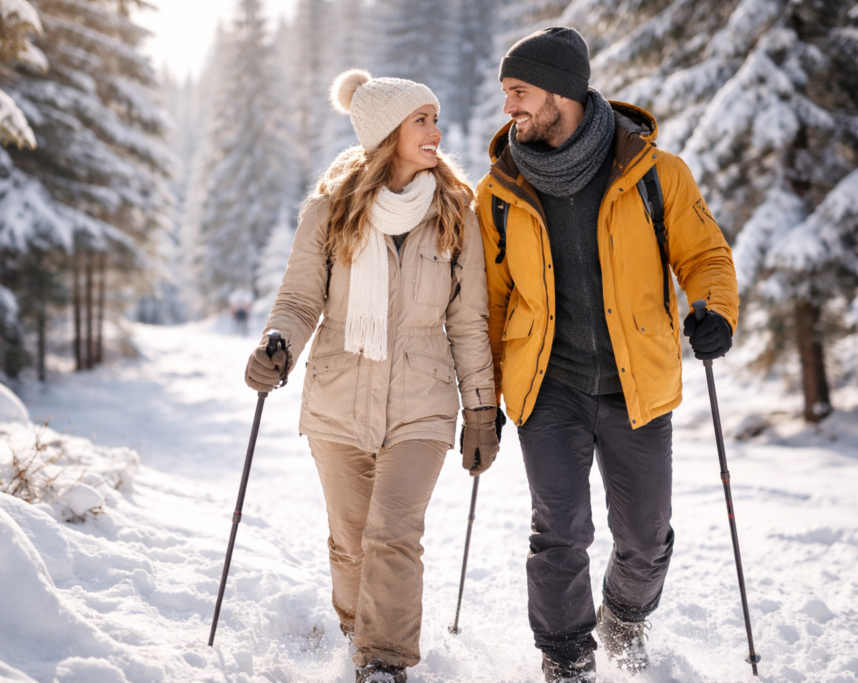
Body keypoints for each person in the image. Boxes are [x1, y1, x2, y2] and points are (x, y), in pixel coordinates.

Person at [474, 27, 739, 682]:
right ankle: (566, 656)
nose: (509, 109)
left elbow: (704, 256)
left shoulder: (655, 173)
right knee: (558, 530)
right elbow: (492, 301)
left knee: (645, 537)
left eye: (519, 93)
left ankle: (623, 613)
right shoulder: (499, 192)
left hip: (636, 382)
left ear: (561, 93)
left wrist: (714, 313)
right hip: (548, 386)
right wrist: (484, 395)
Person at [244, 70, 498, 683]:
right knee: (351, 541)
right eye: (423, 120)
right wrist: (278, 345)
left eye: (435, 119)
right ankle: (357, 634)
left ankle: (384, 663)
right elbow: (302, 300)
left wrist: (481, 411)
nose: (436, 132)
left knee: (393, 536)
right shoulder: (331, 210)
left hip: (422, 400)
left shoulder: (455, 211)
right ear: (387, 131)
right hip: (338, 395)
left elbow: (469, 321)